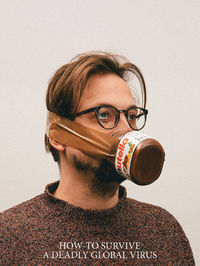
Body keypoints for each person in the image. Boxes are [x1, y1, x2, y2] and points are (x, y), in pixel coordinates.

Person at [0, 52, 195, 265]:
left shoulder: (164, 231)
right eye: (104, 114)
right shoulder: (10, 237)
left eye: (131, 116)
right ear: (58, 136)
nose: (126, 130)